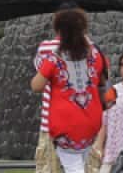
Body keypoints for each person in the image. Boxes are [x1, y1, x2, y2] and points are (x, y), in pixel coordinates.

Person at [31, 9, 108, 173]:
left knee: (73, 167)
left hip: (65, 125)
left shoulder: (54, 57)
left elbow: (36, 86)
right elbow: (102, 81)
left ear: (59, 31)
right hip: (92, 123)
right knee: (85, 164)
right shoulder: (96, 54)